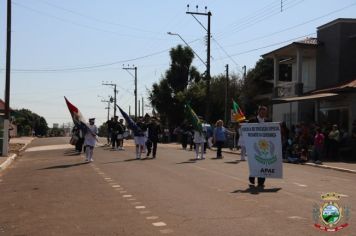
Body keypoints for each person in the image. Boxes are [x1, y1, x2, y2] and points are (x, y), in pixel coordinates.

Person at [248, 105, 271, 187]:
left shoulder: (268, 121)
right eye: (262, 112)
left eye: (265, 112)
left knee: (263, 163)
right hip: (254, 145)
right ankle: (252, 176)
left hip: (264, 146)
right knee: (255, 162)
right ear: (259, 112)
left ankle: (261, 180)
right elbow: (247, 131)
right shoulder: (252, 120)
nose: (263, 113)